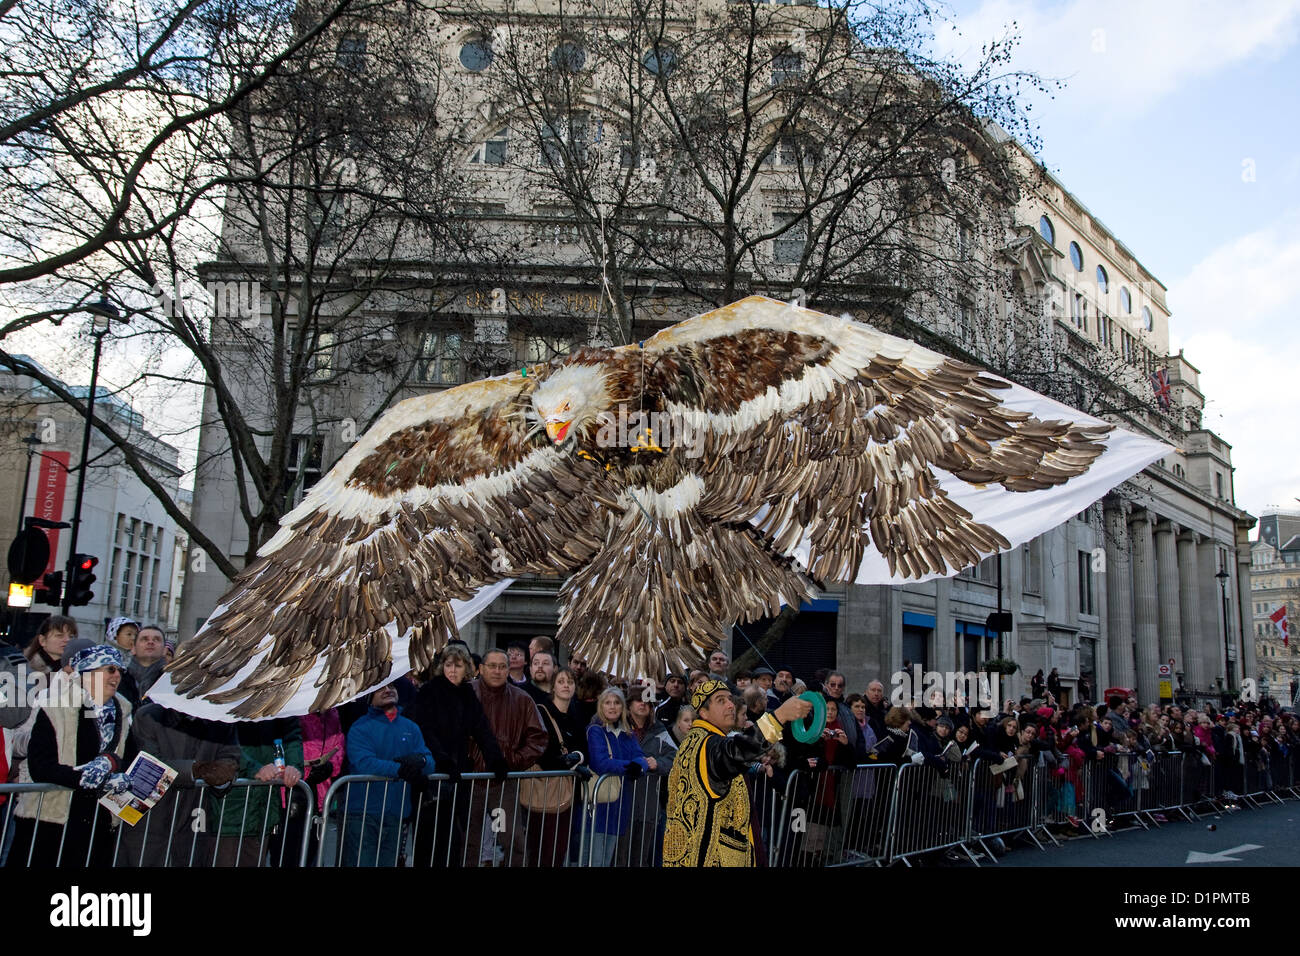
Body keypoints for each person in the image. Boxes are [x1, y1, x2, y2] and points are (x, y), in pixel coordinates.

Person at [662, 678, 812, 867]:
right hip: (708, 856)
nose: (730, 705)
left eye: (730, 699)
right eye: (720, 701)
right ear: (703, 712)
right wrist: (779, 716)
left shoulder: (700, 740)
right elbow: (738, 751)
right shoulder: (705, 745)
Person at [8, 644, 133, 868]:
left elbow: (129, 756)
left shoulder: (122, 711)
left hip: (99, 821)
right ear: (88, 673)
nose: (117, 675)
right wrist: (84, 778)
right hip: (51, 819)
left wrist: (118, 773)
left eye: (120, 671)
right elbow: (40, 765)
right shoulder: (56, 706)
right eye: (110, 669)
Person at [406, 643, 506, 867]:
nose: (453, 670)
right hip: (431, 774)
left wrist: (496, 759)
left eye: (458, 666)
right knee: (427, 839)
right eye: (449, 665)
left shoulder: (467, 694)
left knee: (452, 839)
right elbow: (424, 729)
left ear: (466, 669)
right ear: (442, 667)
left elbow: (481, 729)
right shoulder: (429, 691)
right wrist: (442, 759)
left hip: (457, 775)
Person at [117, 702, 240, 867]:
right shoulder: (148, 715)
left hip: (193, 822)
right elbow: (150, 764)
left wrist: (223, 776)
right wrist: (196, 769)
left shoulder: (221, 719)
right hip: (147, 822)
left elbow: (230, 758)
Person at [466, 648, 547, 866]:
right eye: (492, 666)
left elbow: (538, 739)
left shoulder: (521, 699)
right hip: (468, 783)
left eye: (502, 666)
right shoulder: (465, 694)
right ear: (481, 669)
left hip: (502, 787)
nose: (497, 671)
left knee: (510, 839)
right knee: (468, 842)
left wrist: (513, 760)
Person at [341, 683, 434, 866]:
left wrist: (420, 762)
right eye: (380, 688)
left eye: (392, 686)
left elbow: (429, 761)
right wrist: (400, 769)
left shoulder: (411, 727)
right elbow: (364, 763)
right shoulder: (359, 728)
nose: (388, 690)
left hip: (397, 814)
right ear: (369, 695)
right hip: (363, 814)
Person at [583, 687, 652, 866]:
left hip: (619, 806)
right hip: (599, 805)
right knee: (594, 859)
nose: (612, 707)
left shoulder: (627, 732)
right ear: (601, 706)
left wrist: (640, 766)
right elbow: (600, 762)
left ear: (623, 707)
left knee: (606, 859)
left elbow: (640, 757)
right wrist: (630, 767)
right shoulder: (595, 730)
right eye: (607, 703)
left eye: (616, 703)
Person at [22, 614, 76, 679]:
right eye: (59, 635)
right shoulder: (23, 669)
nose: (67, 640)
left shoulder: (79, 671)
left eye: (71, 636)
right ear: (43, 640)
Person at [128, 624, 168, 697]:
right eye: (144, 639)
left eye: (156, 639)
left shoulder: (172, 680)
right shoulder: (117, 677)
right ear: (133, 649)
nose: (150, 642)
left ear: (165, 650)